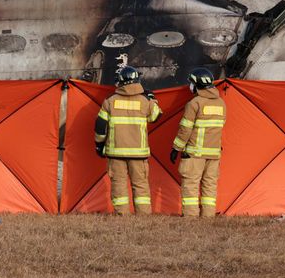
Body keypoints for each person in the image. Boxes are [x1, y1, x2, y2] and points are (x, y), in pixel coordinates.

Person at [94, 65, 162, 215]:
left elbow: (100, 126)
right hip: (139, 154)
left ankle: (122, 215)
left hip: (115, 153)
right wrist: (152, 99)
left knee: (119, 184)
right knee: (141, 185)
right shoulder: (144, 101)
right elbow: (156, 116)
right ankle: (143, 215)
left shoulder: (110, 101)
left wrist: (99, 145)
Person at [170, 68, 226, 218]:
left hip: (195, 153)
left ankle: (190, 217)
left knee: (191, 185)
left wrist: (176, 148)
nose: (190, 86)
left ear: (197, 84)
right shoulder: (221, 103)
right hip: (214, 154)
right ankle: (208, 217)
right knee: (209, 186)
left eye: (191, 83)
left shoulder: (194, 103)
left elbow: (185, 129)